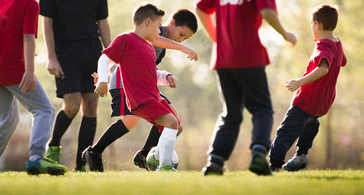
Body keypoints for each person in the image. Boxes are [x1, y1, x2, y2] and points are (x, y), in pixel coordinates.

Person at [81, 9, 198, 172]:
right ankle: (97, 151)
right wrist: (103, 77)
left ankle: (147, 154)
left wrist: (165, 76)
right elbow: (118, 56)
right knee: (133, 119)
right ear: (170, 23)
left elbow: (145, 67)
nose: (181, 39)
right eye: (182, 34)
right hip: (126, 84)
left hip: (145, 86)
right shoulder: (151, 37)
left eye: (184, 38)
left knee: (172, 119)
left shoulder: (151, 42)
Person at [196, 0, 297, 176]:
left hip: (223, 58)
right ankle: (258, 154)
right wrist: (286, 34)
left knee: (231, 113)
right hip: (249, 55)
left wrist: (217, 39)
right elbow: (267, 12)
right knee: (262, 109)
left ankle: (215, 161)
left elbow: (200, 8)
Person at [0, 0, 67, 176]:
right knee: (44, 109)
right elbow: (28, 37)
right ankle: (37, 157)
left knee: (7, 120)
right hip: (14, 68)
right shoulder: (30, 3)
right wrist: (29, 70)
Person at [269, 4, 346, 172]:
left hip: (306, 99)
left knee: (286, 130)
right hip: (322, 103)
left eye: (312, 25)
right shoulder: (337, 43)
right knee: (311, 123)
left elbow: (323, 68)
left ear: (317, 25)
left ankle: (274, 165)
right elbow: (342, 61)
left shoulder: (322, 45)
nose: (312, 28)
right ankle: (301, 155)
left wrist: (299, 82)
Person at [40, 0, 112, 171]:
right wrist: (51, 57)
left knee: (91, 106)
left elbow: (102, 22)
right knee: (72, 105)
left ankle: (81, 165)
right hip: (65, 51)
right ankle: (54, 144)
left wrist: (111, 56)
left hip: (92, 50)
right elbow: (47, 22)